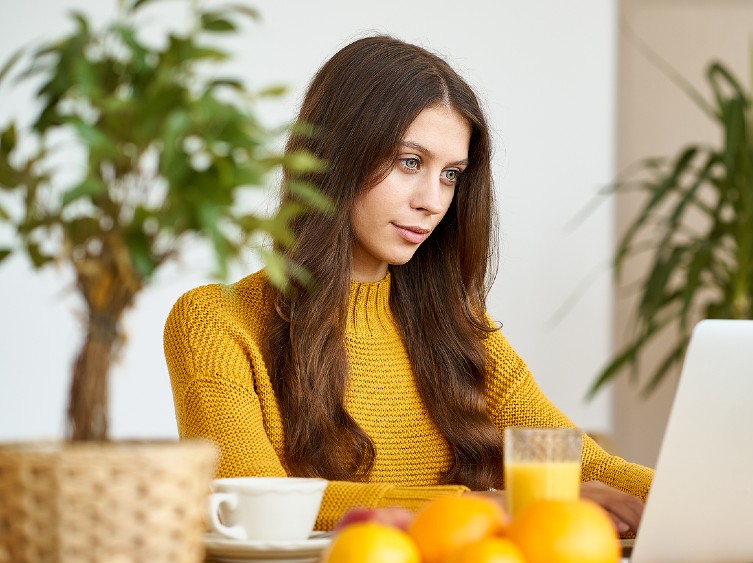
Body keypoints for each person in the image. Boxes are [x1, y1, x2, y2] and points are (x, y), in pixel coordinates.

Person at [163, 35, 652, 533]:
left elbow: (595, 470)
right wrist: (488, 506)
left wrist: (705, 499)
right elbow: (250, 503)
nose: (433, 201)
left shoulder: (461, 330)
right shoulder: (215, 321)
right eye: (410, 162)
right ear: (336, 156)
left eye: (451, 174)